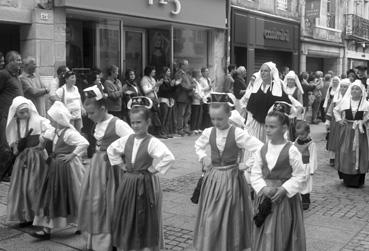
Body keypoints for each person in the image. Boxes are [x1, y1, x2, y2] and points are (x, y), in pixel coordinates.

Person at [193, 92, 262, 251]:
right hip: (214, 178)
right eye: (213, 119)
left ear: (229, 115)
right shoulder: (209, 132)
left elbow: (259, 147)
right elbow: (198, 145)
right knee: (211, 212)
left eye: (220, 119)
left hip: (232, 179)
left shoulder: (237, 133)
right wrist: (203, 157)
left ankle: (228, 242)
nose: (216, 122)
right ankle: (212, 242)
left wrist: (247, 164)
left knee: (229, 213)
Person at [107, 96, 175, 251]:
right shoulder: (127, 139)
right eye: (133, 122)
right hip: (129, 182)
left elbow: (169, 157)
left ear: (148, 123)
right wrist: (121, 165)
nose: (135, 126)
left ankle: (144, 245)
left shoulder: (152, 141)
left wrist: (154, 169)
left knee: (144, 213)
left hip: (145, 182)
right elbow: (112, 149)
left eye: (139, 122)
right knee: (127, 211)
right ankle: (129, 243)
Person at [78, 85, 133, 251]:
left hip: (111, 169)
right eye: (88, 113)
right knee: (95, 202)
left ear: (103, 108)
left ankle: (111, 239)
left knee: (110, 201)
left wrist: (122, 158)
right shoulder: (98, 122)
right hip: (96, 168)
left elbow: (132, 141)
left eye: (92, 112)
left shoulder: (117, 123)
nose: (89, 116)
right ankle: (97, 239)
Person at [31, 101, 89, 240]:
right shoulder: (55, 130)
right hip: (55, 168)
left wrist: (72, 155)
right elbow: (45, 136)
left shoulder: (69, 133)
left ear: (58, 120)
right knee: (51, 195)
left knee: (73, 195)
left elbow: (84, 143)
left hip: (68, 168)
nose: (50, 121)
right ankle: (47, 228)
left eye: (52, 119)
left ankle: (81, 223)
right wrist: (41, 143)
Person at [251, 111, 306, 251]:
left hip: (284, 201)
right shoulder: (261, 149)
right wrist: (263, 188)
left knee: (282, 231)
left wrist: (285, 189)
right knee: (265, 232)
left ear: (284, 128)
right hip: (265, 198)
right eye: (266, 126)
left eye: (272, 127)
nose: (268, 130)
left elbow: (300, 175)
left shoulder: (291, 150)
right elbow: (255, 173)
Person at [6, 96, 53, 227]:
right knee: (22, 188)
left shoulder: (38, 120)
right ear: (15, 112)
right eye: (21, 112)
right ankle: (25, 215)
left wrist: (43, 140)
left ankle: (37, 214)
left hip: (37, 158)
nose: (25, 114)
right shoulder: (14, 124)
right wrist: (15, 146)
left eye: (27, 111)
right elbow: (13, 139)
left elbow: (50, 129)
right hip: (22, 159)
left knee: (35, 186)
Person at [333, 80, 369, 188]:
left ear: (361, 91)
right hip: (347, 131)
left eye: (357, 89)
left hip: (359, 131)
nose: (354, 91)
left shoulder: (365, 103)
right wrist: (340, 120)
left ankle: (358, 179)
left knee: (359, 152)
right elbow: (335, 110)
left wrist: (363, 121)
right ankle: (346, 177)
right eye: (353, 88)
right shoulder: (345, 101)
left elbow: (368, 114)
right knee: (345, 152)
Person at [245, 62, 292, 143]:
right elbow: (250, 110)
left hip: (272, 126)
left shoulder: (277, 88)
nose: (263, 73)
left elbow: (285, 107)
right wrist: (247, 126)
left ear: (271, 72)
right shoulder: (256, 88)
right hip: (256, 125)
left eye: (266, 71)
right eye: (261, 71)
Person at [0, 51, 23, 182]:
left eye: (20, 60)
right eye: (18, 60)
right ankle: (3, 174)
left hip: (16, 117)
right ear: (10, 62)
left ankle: (9, 172)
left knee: (14, 144)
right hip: (5, 116)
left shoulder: (16, 76)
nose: (20, 63)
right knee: (5, 146)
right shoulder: (3, 74)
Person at [325, 79, 350, 166]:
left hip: (346, 122)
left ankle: (342, 158)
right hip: (335, 122)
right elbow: (330, 109)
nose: (343, 89)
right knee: (334, 139)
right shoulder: (336, 98)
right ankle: (333, 158)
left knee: (344, 140)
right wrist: (327, 121)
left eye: (345, 87)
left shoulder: (351, 98)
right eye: (342, 87)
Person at [294, 121, 317, 210]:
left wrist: (311, 170)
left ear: (308, 132)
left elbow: (313, 157)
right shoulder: (296, 141)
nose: (300, 136)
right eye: (298, 134)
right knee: (297, 182)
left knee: (305, 184)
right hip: (297, 166)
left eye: (302, 134)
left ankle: (305, 200)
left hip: (306, 166)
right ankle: (297, 198)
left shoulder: (311, 144)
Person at [141, 66, 166, 138]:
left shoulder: (153, 79)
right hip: (149, 100)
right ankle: (156, 132)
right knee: (154, 116)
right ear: (149, 71)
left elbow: (156, 90)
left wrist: (158, 85)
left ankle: (158, 132)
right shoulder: (144, 79)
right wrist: (155, 85)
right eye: (153, 70)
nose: (155, 71)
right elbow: (146, 91)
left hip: (155, 99)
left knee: (157, 115)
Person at [174, 60, 194, 136]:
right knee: (181, 113)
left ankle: (185, 127)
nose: (187, 66)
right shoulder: (179, 74)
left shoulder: (186, 74)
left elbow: (192, 82)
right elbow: (182, 85)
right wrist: (190, 87)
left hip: (188, 96)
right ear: (182, 65)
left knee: (188, 113)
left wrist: (192, 85)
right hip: (182, 96)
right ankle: (180, 128)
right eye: (186, 64)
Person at [158, 67, 176, 137]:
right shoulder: (161, 80)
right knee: (163, 117)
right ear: (164, 72)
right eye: (168, 71)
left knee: (168, 117)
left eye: (169, 71)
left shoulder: (169, 80)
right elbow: (163, 90)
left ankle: (166, 131)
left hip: (169, 99)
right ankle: (161, 132)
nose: (169, 72)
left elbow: (172, 90)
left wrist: (174, 85)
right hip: (163, 99)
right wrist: (171, 86)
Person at [191, 70, 204, 134]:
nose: (200, 75)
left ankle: (197, 127)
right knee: (195, 115)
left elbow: (200, 91)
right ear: (196, 74)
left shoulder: (197, 81)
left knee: (198, 115)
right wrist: (200, 98)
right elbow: (195, 92)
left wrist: (202, 98)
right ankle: (193, 128)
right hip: (195, 101)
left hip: (199, 100)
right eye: (199, 74)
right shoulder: (194, 81)